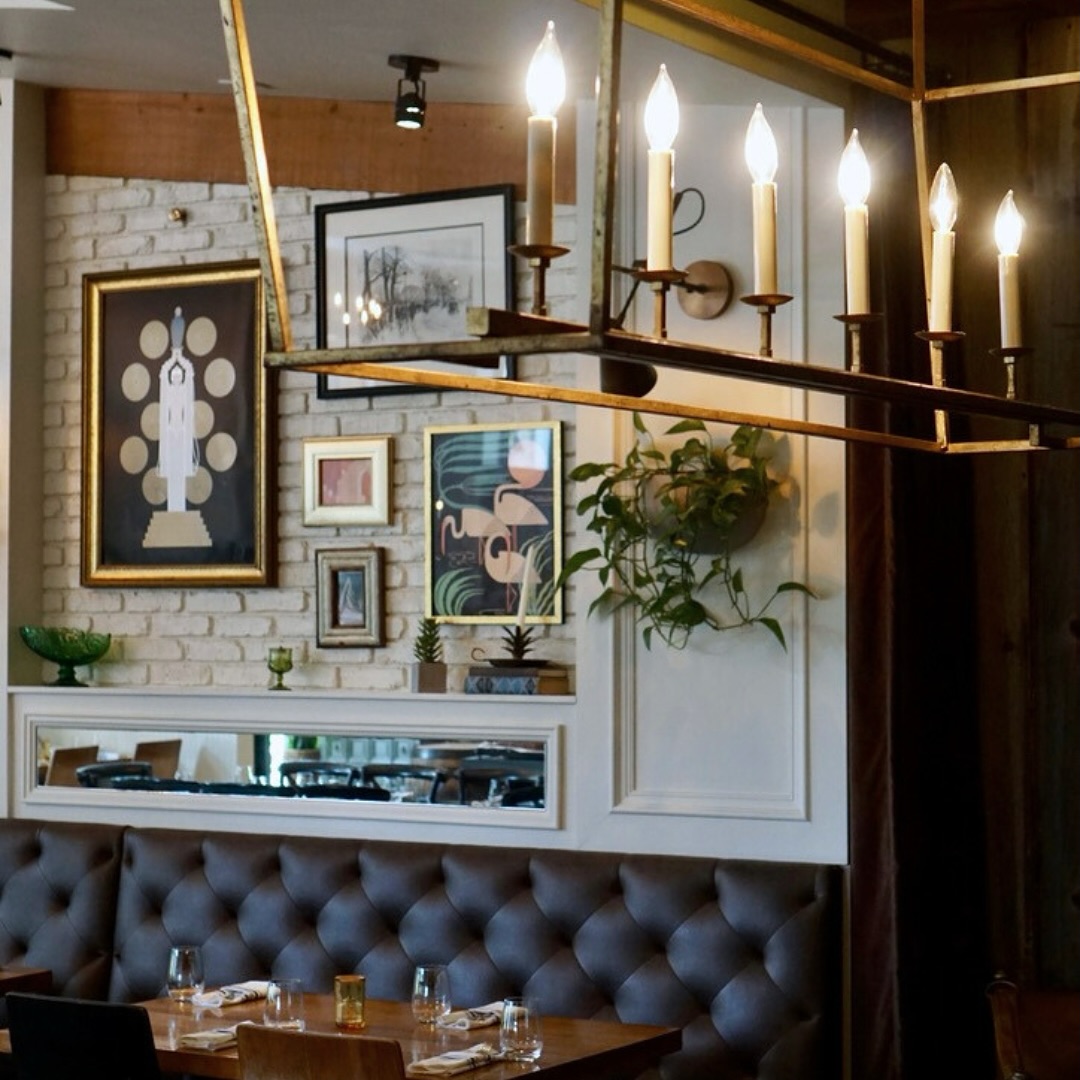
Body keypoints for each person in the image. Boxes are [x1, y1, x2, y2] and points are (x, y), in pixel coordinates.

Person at [157, 306, 198, 512]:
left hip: (181, 433)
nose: (175, 378)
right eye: (173, 376)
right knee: (172, 472)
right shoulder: (167, 391)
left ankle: (179, 510)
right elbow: (162, 376)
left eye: (177, 376)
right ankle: (172, 510)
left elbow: (190, 376)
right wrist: (172, 358)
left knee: (180, 473)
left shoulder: (184, 391)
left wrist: (180, 357)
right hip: (170, 433)